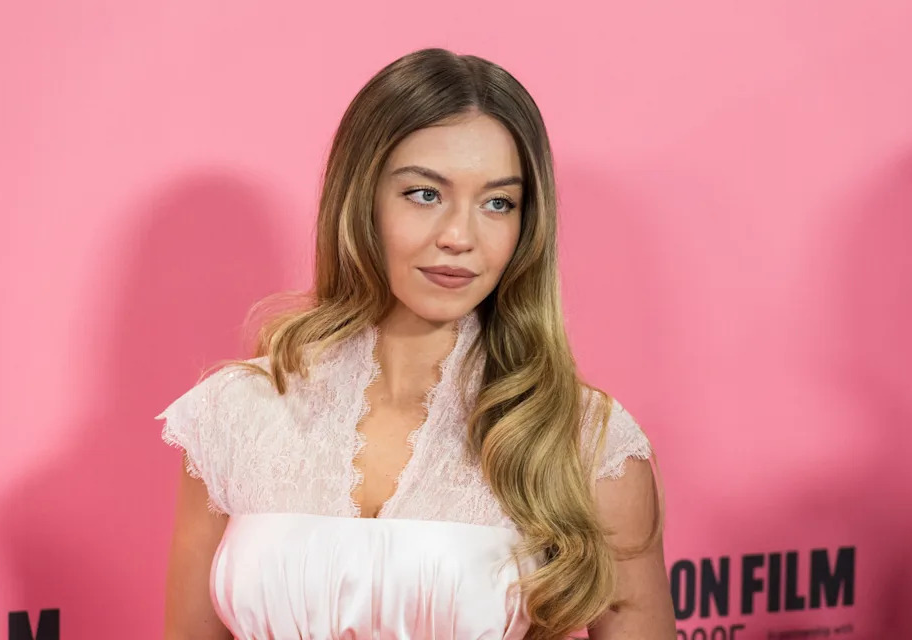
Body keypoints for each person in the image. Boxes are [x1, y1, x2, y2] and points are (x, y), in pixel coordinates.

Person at [157, 47, 676, 640]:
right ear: (361, 200)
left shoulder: (588, 441)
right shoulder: (233, 415)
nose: (459, 236)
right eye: (425, 194)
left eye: (497, 203)